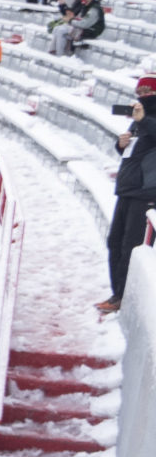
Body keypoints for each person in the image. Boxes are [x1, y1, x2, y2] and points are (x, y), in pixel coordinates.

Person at [100, 76, 156, 312]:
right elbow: (133, 150)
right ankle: (118, 294)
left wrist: (142, 121)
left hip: (146, 192)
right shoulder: (138, 119)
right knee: (115, 242)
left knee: (131, 247)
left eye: (147, 90)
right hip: (127, 189)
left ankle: (126, 297)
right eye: (139, 90)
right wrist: (121, 144)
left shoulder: (144, 119)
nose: (141, 94)